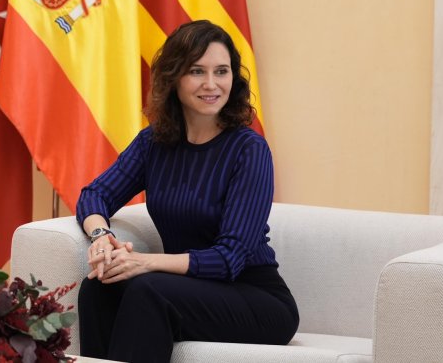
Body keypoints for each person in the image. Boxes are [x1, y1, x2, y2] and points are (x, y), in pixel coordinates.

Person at [75, 20, 299, 363]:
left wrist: (143, 262)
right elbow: (95, 195)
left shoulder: (248, 150)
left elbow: (229, 259)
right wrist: (101, 237)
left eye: (222, 71)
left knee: (147, 288)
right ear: (174, 78)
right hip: (188, 289)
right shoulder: (153, 143)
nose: (211, 84)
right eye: (197, 71)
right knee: (100, 284)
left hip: (255, 298)